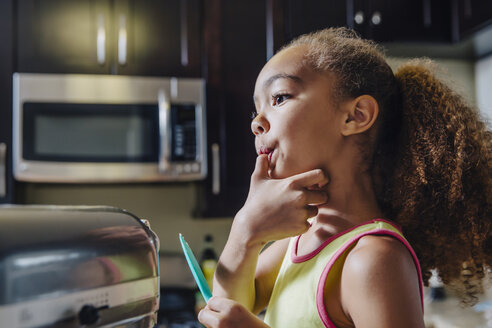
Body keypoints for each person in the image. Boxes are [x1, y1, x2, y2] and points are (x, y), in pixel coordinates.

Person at [198, 27, 492, 328]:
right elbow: (226, 307)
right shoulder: (301, 239)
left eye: (279, 98)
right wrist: (244, 231)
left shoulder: (374, 258)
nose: (256, 124)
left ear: (356, 116)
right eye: (255, 111)